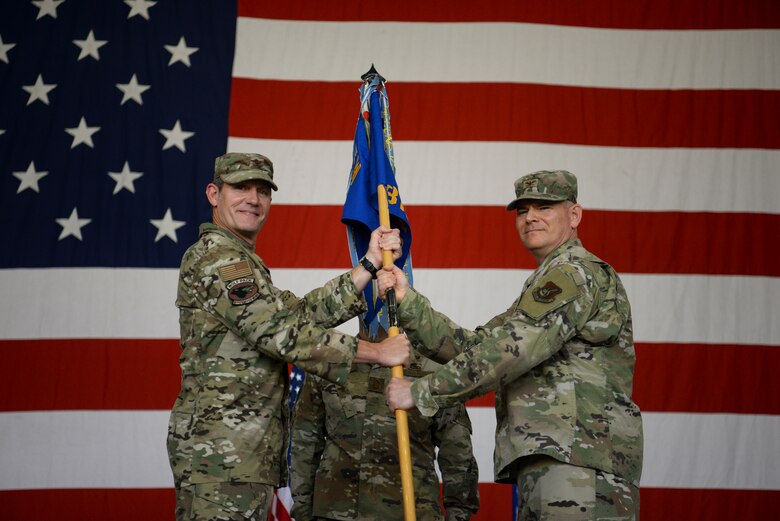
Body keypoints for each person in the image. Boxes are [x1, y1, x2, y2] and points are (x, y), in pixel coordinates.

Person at [380, 170, 643, 520]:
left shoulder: (576, 273)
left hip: (579, 464)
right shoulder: (547, 282)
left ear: (575, 215)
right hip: (554, 461)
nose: (531, 217)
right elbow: (476, 347)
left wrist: (423, 392)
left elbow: (510, 351)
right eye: (523, 210)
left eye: (545, 207)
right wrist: (406, 299)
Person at [166, 152, 411, 521]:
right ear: (214, 194)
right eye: (241, 188)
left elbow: (299, 315)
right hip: (221, 454)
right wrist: (377, 353)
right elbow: (279, 333)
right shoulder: (217, 258)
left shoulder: (242, 261)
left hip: (241, 454)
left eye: (262, 190)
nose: (253, 198)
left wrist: (370, 264)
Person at [290, 347, 480, 521]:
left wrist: (458, 513)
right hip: (335, 512)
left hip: (413, 513)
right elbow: (305, 442)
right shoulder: (330, 362)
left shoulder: (435, 370)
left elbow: (456, 450)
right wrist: (303, 510)